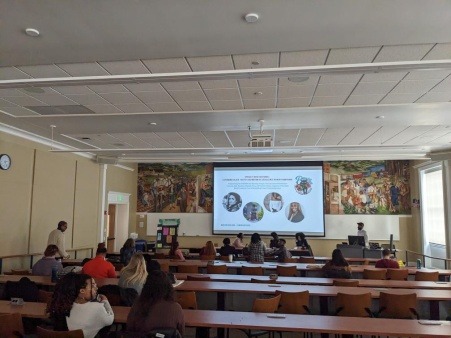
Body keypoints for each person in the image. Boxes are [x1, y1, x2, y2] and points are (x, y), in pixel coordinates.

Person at [47, 273, 114, 338]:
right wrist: (105, 301)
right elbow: (110, 320)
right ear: (82, 291)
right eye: (93, 285)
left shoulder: (64, 306)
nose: (96, 288)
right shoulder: (97, 308)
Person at [126, 270, 185, 336]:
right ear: (168, 287)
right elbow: (180, 333)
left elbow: (129, 327)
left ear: (146, 286)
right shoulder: (176, 308)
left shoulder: (138, 304)